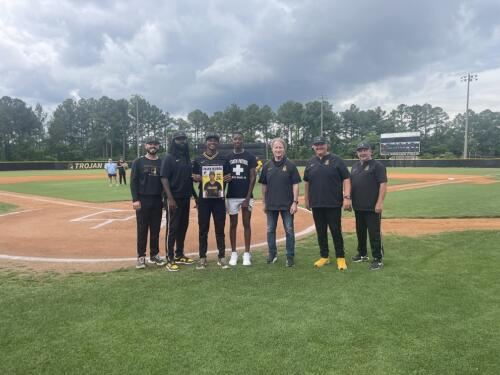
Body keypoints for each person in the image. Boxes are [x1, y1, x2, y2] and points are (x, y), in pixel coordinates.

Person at [304, 136, 351, 270]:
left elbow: (346, 179)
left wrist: (347, 197)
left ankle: (340, 258)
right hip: (316, 203)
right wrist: (306, 199)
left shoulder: (337, 160)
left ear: (327, 145)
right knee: (321, 231)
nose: (319, 147)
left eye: (321, 144)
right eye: (316, 145)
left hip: (333, 203)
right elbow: (306, 182)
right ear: (313, 147)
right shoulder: (310, 162)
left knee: (336, 231)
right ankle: (324, 256)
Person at [259, 138, 301, 267]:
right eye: (275, 148)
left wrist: (295, 202)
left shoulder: (291, 165)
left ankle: (290, 256)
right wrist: (264, 202)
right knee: (270, 230)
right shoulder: (266, 166)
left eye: (280, 147)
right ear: (272, 149)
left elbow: (295, 185)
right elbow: (264, 186)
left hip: (287, 205)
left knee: (289, 230)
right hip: (271, 204)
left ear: (284, 149)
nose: (278, 150)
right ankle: (272, 254)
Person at [192, 133, 232, 269]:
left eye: (215, 140)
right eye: (210, 140)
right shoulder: (198, 159)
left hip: (219, 199)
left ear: (218, 143)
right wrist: (196, 177)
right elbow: (191, 175)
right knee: (203, 228)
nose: (212, 142)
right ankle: (202, 257)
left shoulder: (224, 159)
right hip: (204, 199)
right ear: (206, 142)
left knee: (220, 228)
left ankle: (221, 257)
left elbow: (229, 174)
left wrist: (228, 177)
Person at [160, 131, 196, 272]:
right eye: (178, 139)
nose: (182, 141)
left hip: (185, 197)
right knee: (173, 228)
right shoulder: (169, 158)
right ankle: (170, 258)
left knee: (183, 226)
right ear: (173, 141)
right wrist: (170, 198)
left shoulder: (187, 159)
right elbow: (164, 178)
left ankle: (179, 254)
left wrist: (196, 196)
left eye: (183, 139)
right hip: (174, 198)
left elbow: (189, 180)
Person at [350, 142, 388, 271]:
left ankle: (378, 258)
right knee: (360, 232)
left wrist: (379, 202)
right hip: (358, 206)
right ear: (357, 153)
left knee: (374, 233)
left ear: (371, 151)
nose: (362, 153)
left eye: (365, 150)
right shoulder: (355, 166)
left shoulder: (378, 166)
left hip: (372, 207)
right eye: (360, 151)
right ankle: (362, 254)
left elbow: (383, 185)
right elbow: (352, 185)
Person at [130, 136, 166, 269]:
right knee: (142, 229)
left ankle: (155, 255)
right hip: (143, 199)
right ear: (145, 146)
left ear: (158, 146)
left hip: (157, 200)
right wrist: (135, 199)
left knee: (155, 229)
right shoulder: (138, 162)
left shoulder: (162, 162)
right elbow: (133, 181)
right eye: (150, 144)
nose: (153, 146)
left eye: (156, 144)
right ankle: (141, 257)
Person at [226, 131, 257, 266]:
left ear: (243, 141)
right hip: (232, 195)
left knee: (246, 224)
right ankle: (233, 253)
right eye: (235, 139)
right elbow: (223, 176)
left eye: (239, 139)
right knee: (233, 224)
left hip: (246, 196)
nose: (237, 141)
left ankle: (246, 253)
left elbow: (253, 177)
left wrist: (247, 197)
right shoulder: (227, 157)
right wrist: (225, 179)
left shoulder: (250, 157)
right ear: (232, 141)